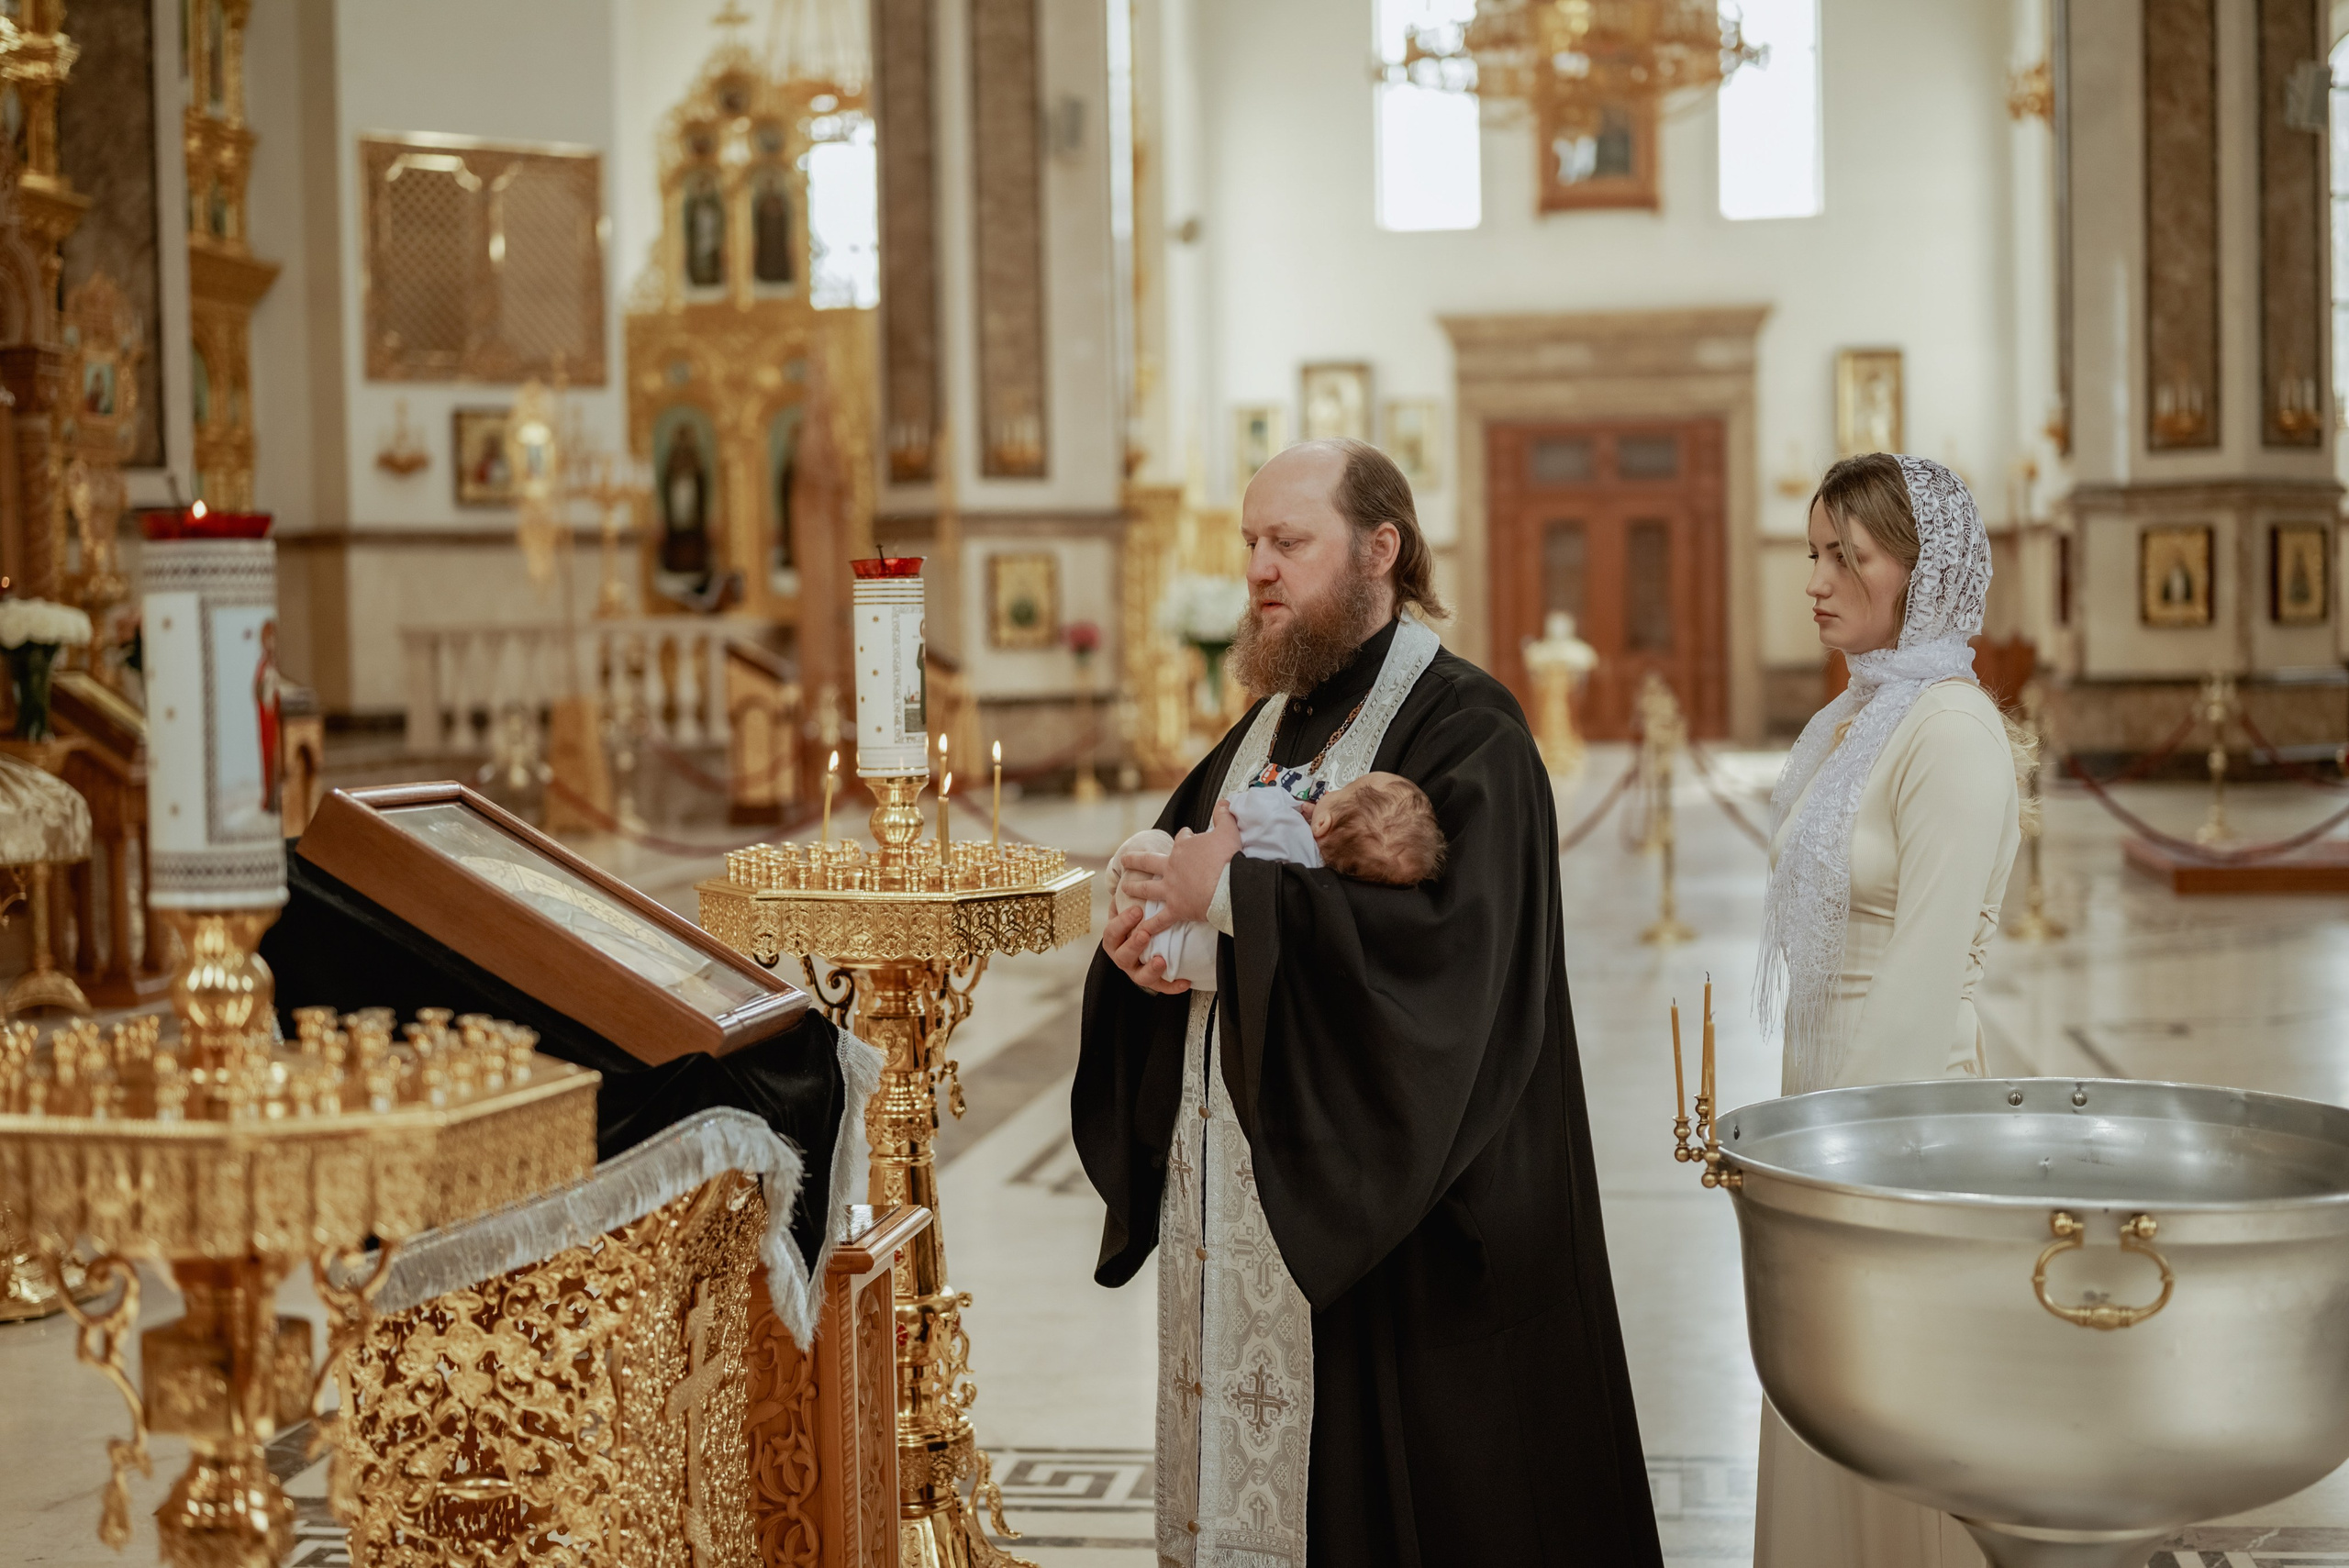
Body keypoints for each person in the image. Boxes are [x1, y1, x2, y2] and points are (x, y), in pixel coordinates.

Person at [1074, 438, 1663, 1568]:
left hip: (1412, 1225)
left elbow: (1449, 963)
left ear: (1379, 548)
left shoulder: (1470, 730)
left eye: (1288, 542)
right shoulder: (1266, 723)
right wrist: (1141, 945)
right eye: (1251, 542)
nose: (1259, 568)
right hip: (1239, 1200)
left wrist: (1227, 899)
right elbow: (1183, 876)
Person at [1752, 452, 2022, 1566]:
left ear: (1918, 570)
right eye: (1813, 553)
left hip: (1903, 1128)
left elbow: (1921, 972)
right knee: (1827, 1398)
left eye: (1845, 556)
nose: (1814, 581)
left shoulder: (1948, 729)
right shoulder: (1859, 715)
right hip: (1826, 1097)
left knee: (1898, 1415)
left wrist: (1837, 1168)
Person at [1107, 772, 1447, 989]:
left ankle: (1113, 875)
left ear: (1322, 824)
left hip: (1153, 923)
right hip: (1205, 970)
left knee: (1151, 843)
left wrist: (1288, 803)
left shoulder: (1282, 816)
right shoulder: (1318, 877)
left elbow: (1241, 803)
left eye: (1342, 789)